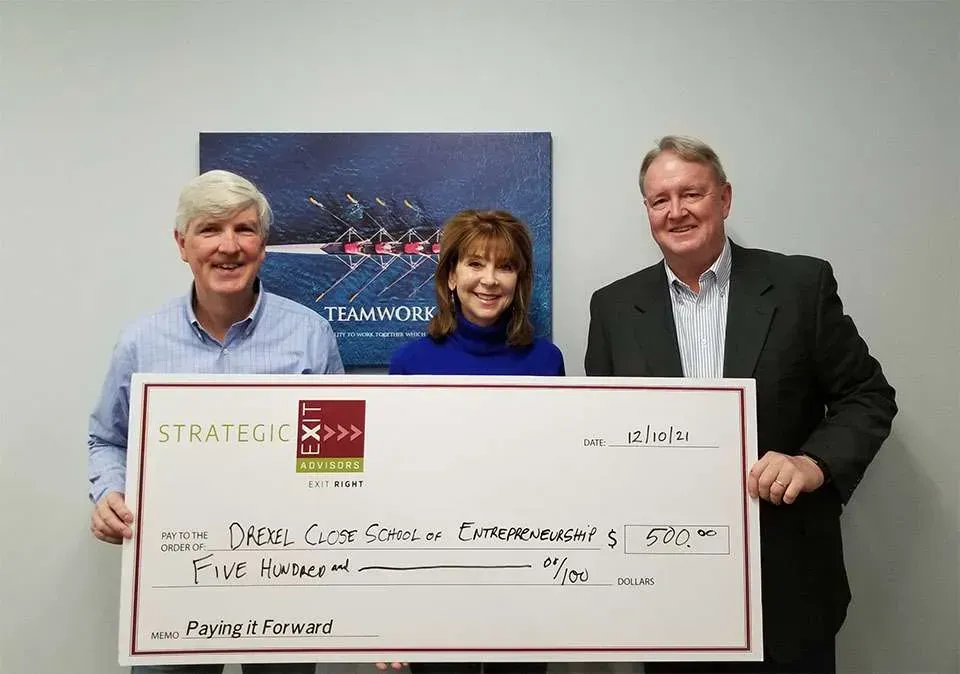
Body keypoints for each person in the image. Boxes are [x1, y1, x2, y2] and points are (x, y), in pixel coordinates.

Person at [584, 136, 897, 674]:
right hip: (667, 589)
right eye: (660, 200)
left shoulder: (800, 286)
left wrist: (812, 463)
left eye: (692, 194)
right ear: (647, 211)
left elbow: (867, 397)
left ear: (724, 199)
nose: (676, 211)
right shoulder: (613, 306)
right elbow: (603, 436)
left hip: (786, 586)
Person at [88, 169, 344, 674]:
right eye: (210, 229)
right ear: (182, 244)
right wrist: (107, 494)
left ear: (264, 244)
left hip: (284, 575)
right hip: (174, 579)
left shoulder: (310, 336)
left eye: (244, 229)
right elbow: (106, 439)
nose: (229, 246)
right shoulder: (141, 341)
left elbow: (341, 453)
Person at [381, 209, 564, 674]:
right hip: (434, 579)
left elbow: (558, 479)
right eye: (476, 264)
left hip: (524, 576)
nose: (490, 280)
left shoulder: (546, 361)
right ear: (450, 276)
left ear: (520, 280)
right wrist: (383, 614)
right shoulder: (410, 363)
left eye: (505, 267)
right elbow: (390, 492)